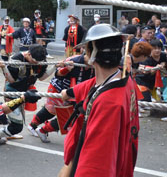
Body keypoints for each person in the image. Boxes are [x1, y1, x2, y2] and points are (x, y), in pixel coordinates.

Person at [58, 24, 139, 177]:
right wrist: (69, 92)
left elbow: (97, 165)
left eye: (86, 49)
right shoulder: (124, 79)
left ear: (92, 52)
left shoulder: (108, 104)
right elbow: (96, 83)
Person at [27, 52, 94, 143]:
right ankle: (37, 127)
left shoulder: (96, 64)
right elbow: (57, 74)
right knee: (54, 111)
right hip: (59, 89)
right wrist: (66, 69)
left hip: (76, 93)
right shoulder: (73, 60)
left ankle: (41, 129)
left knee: (70, 116)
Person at [0, 44, 52, 143]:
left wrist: (55, 66)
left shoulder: (41, 60)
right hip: (12, 91)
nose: (36, 63)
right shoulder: (16, 59)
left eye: (38, 61)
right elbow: (11, 80)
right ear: (28, 54)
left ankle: (4, 132)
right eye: (34, 61)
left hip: (25, 92)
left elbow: (41, 77)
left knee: (17, 121)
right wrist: (4, 67)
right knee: (17, 126)